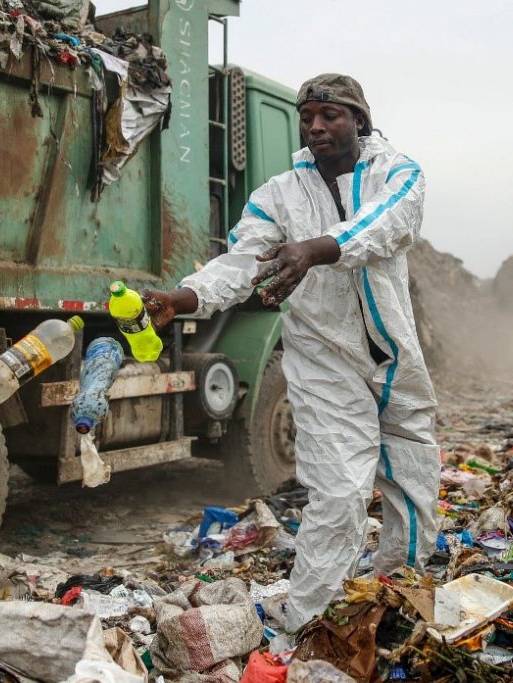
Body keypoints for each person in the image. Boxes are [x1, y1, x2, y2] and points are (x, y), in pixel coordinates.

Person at [143, 74, 440, 630]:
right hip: (322, 358)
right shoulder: (278, 193)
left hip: (394, 355)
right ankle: (309, 620)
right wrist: (185, 297)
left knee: (414, 478)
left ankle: (400, 590)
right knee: (339, 490)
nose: (316, 127)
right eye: (308, 117)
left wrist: (315, 250)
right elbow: (241, 263)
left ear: (359, 120)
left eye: (330, 115)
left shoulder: (397, 172)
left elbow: (387, 225)